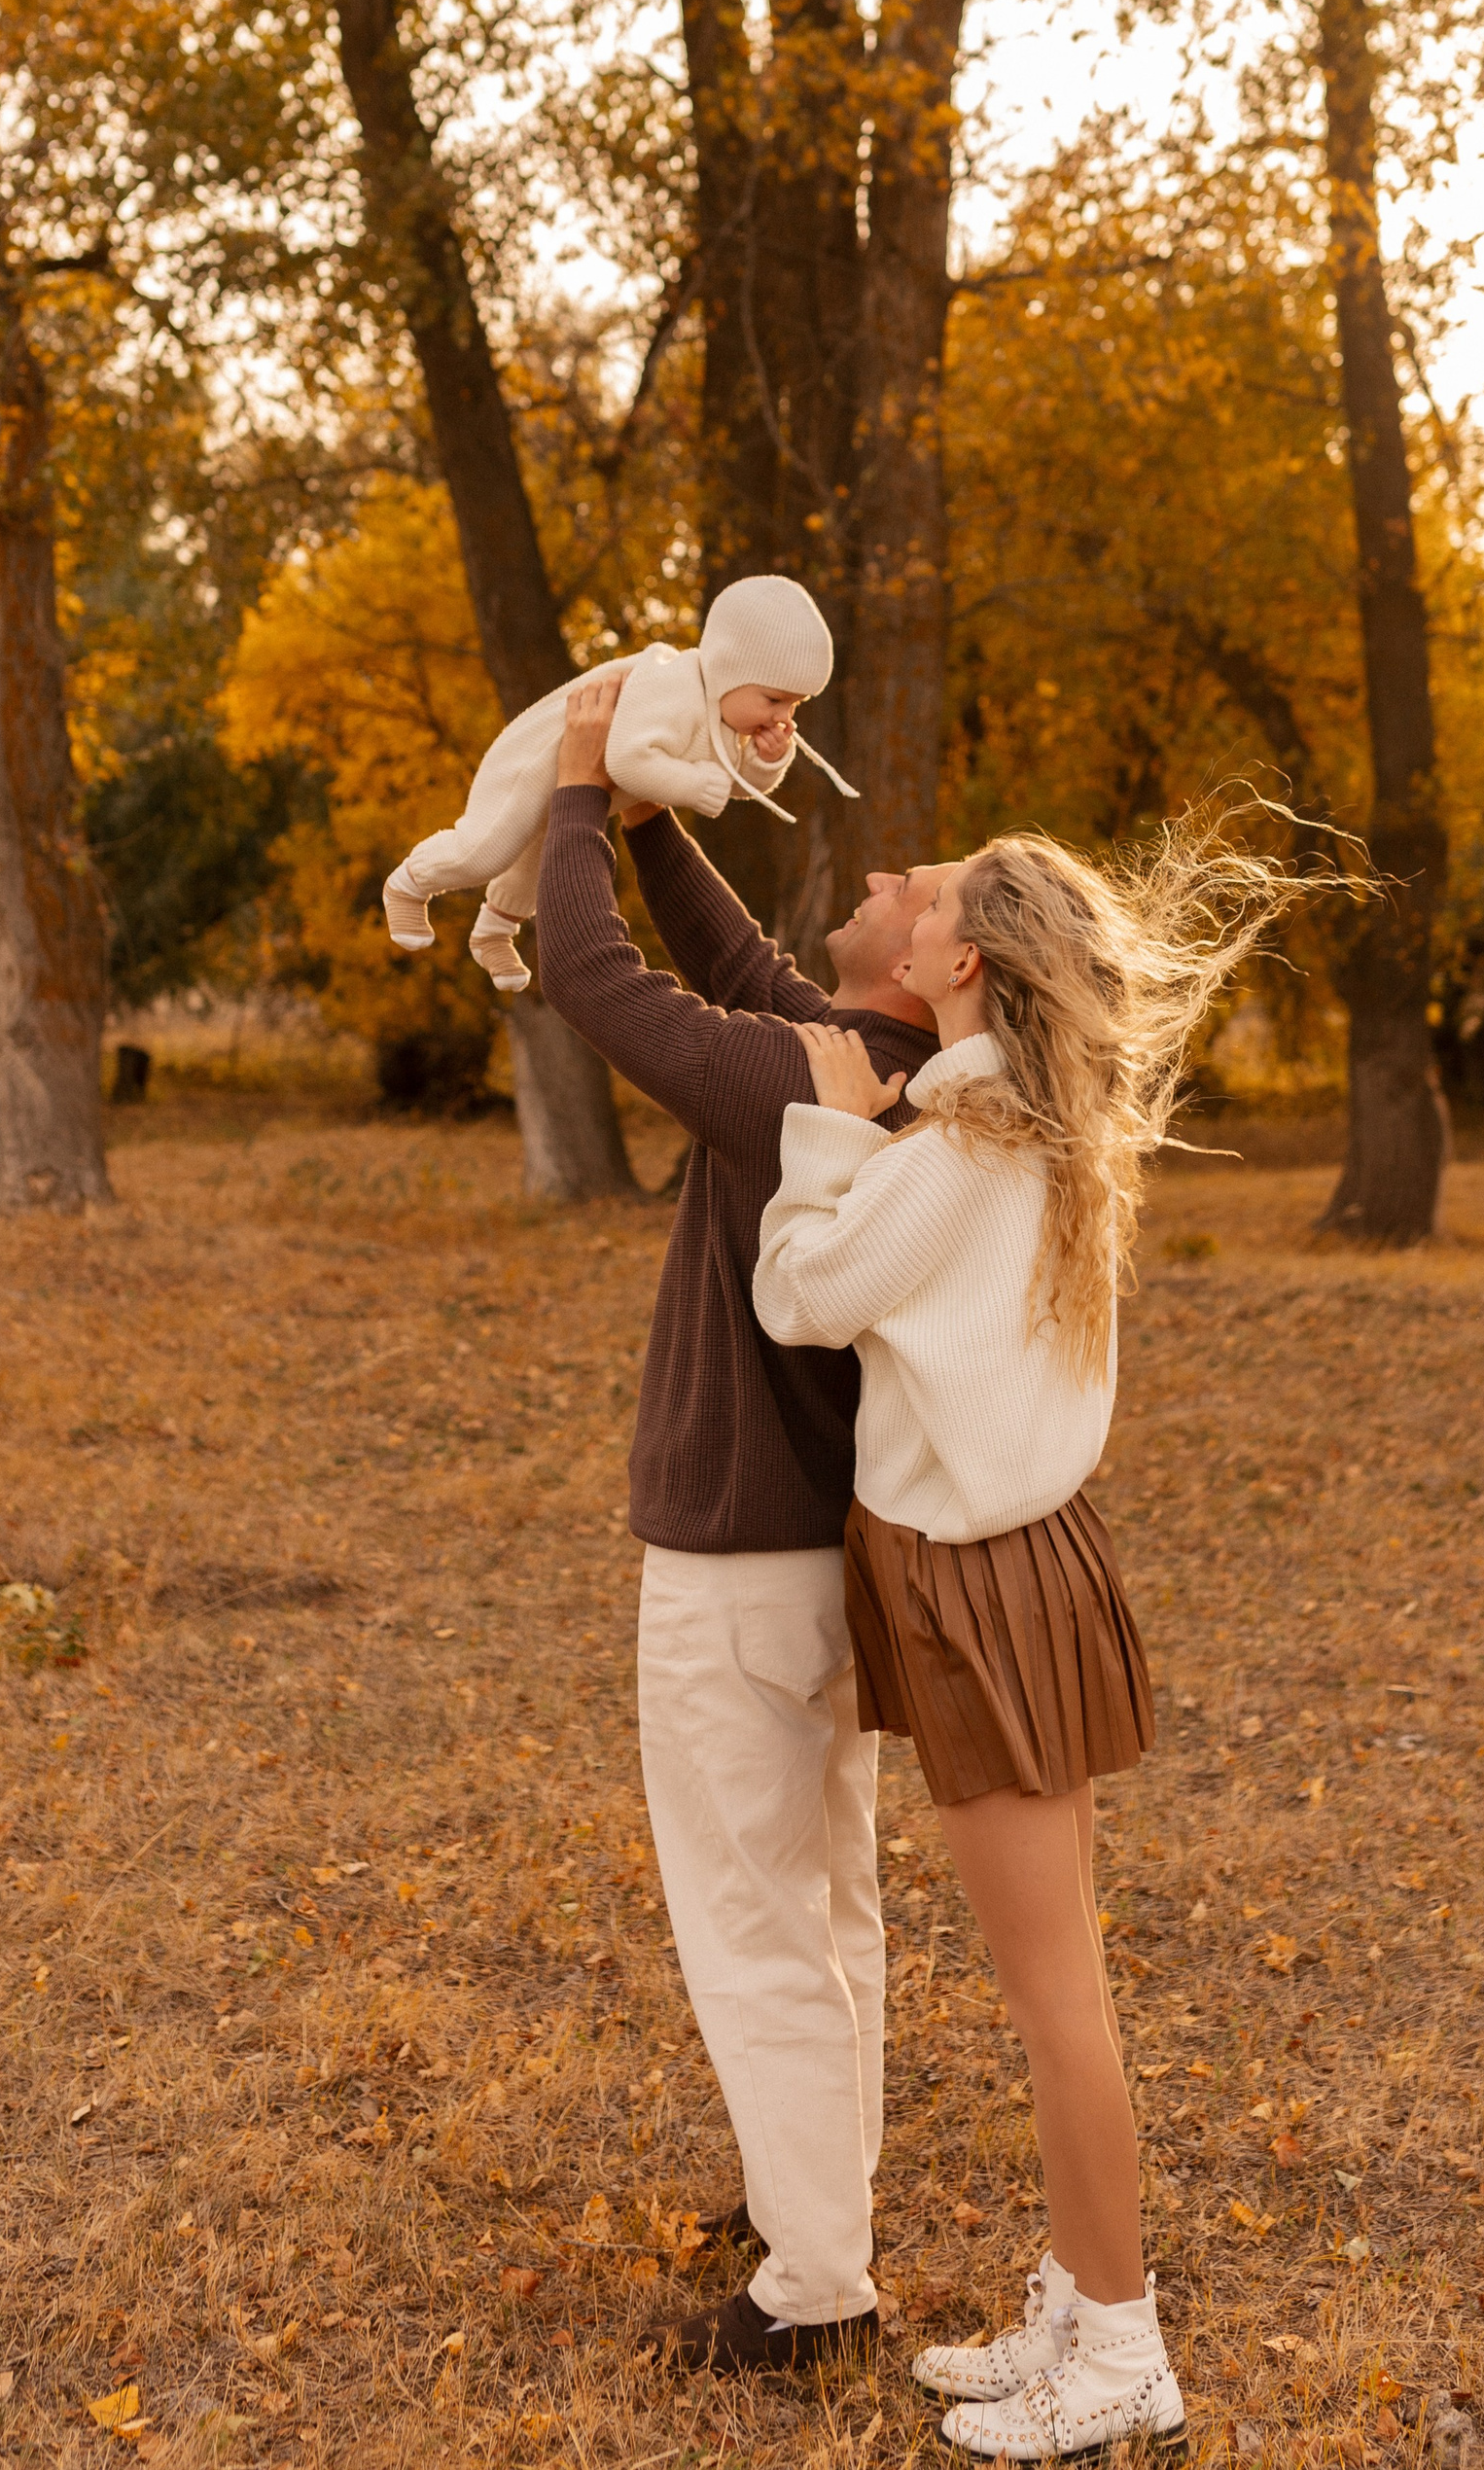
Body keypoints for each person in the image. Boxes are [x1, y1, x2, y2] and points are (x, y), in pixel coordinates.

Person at [754, 826, 1299, 2462]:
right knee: (1060, 1988)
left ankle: (1123, 2349)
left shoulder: (957, 1150)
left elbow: (800, 1294)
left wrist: (820, 1128)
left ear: (966, 961)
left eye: (931, 898)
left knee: (1058, 2002)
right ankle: (1076, 2298)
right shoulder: (1018, 1125)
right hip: (1015, 1570)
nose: (906, 904)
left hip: (982, 1587)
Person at [530, 665, 945, 2374]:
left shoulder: (798, 1076)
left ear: (937, 964)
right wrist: (647, 824)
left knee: (758, 1923)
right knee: (828, 1906)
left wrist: (574, 783)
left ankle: (816, 2293)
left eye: (919, 888)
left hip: (738, 1571)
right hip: (824, 1566)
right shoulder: (878, 1065)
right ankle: (815, 2201)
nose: (887, 875)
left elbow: (592, 979)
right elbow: (736, 966)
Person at [381, 575, 855, 989]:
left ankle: (493, 932)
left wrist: (766, 761)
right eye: (774, 699)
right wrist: (693, 785)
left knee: (535, 861)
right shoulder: (673, 687)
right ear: (729, 668)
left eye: (795, 705)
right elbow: (627, 761)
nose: (783, 716)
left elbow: (734, 785)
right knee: (487, 849)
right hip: (532, 763)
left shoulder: (725, 715)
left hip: (574, 786)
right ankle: (407, 885)